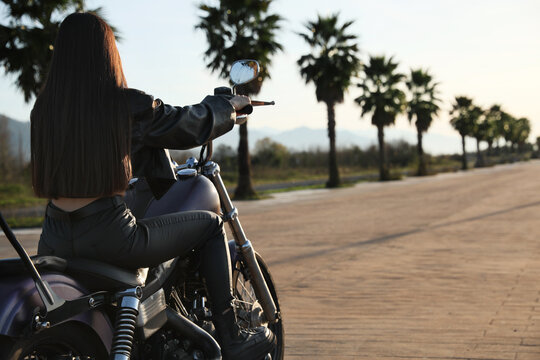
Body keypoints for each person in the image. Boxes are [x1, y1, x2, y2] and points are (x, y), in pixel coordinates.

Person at [31, 12, 275, 360]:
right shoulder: (123, 105)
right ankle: (233, 337)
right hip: (112, 237)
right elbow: (185, 123)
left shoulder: (44, 111)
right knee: (211, 225)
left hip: (53, 237)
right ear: (106, 54)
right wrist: (226, 107)